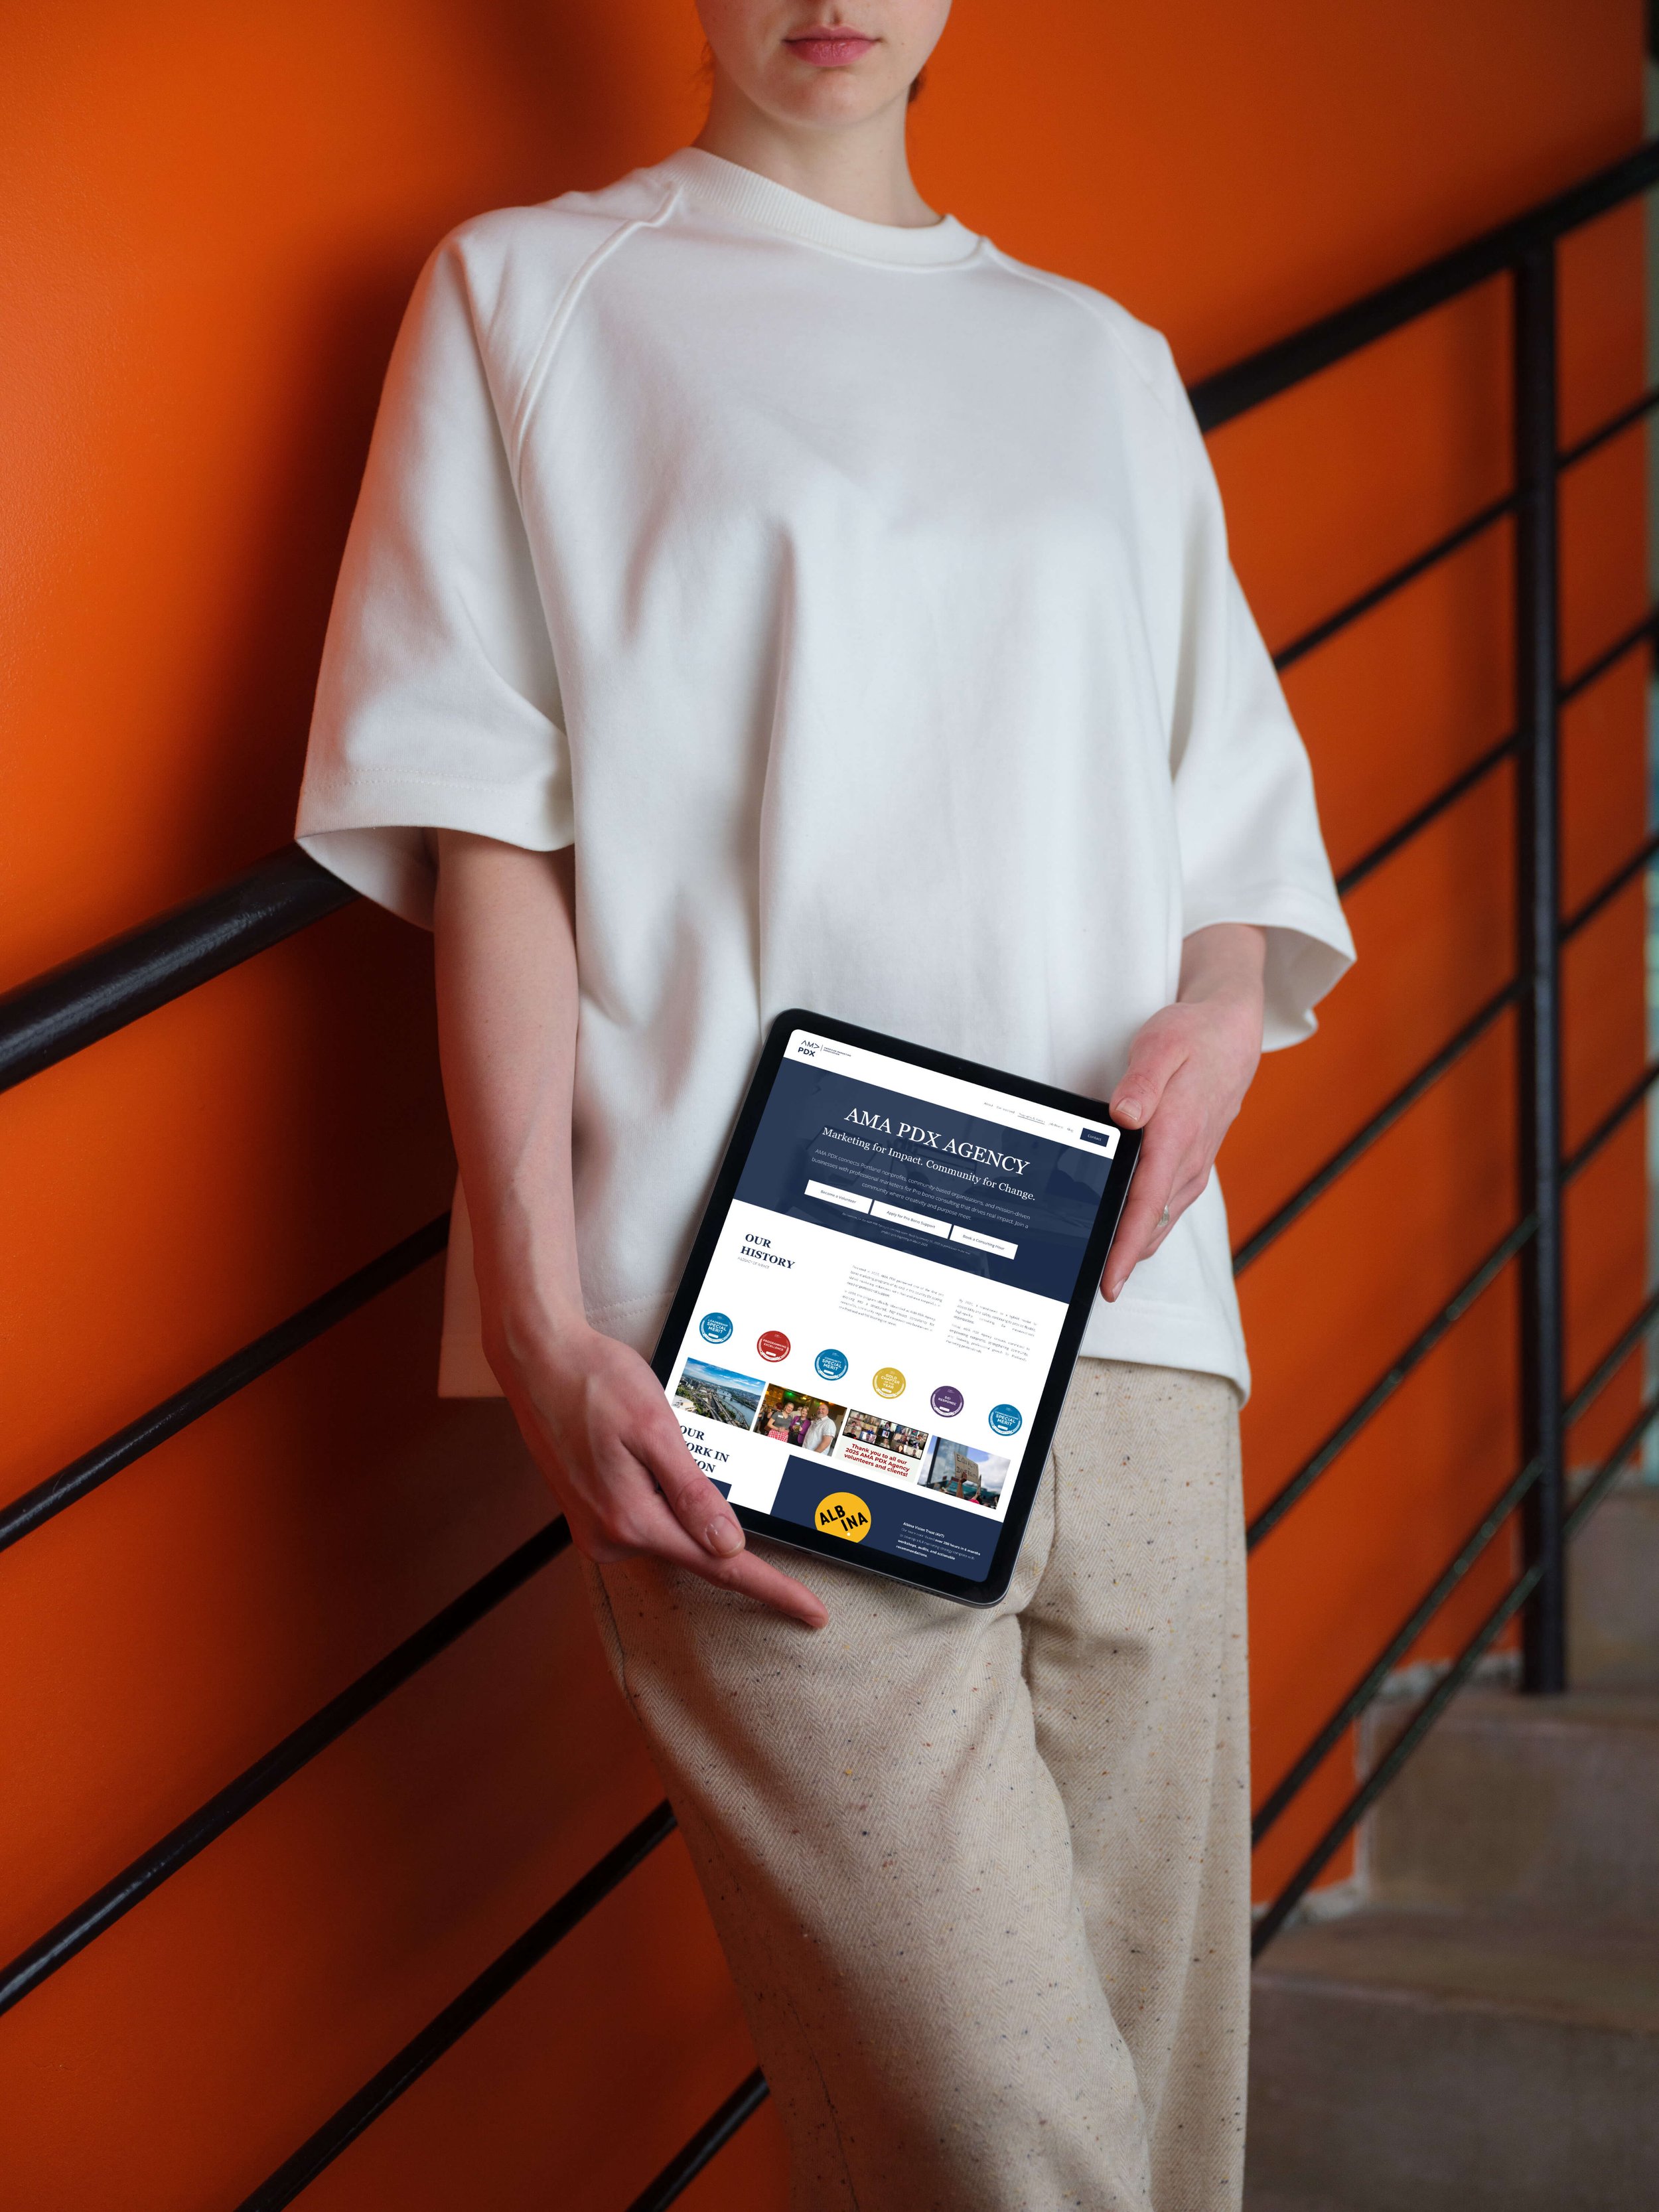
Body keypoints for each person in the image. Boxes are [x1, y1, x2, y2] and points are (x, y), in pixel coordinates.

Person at [295, 4, 1354, 2206]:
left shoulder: (1097, 361)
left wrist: (1221, 1011)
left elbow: (1224, 825)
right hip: (754, 1330)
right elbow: (492, 847)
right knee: (1004, 2141)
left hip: (1127, 1309)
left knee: (1162, 2121)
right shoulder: (535, 293)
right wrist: (535, 1304)